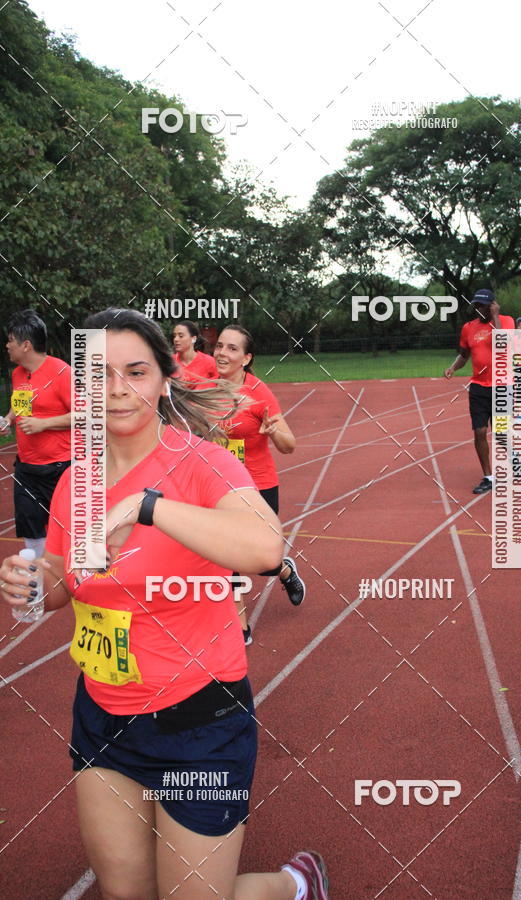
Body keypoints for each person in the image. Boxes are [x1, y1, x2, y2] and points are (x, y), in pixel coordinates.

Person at [0, 309, 328, 900]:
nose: (118, 389)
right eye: (99, 375)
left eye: (136, 372)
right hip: (103, 715)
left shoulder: (201, 462)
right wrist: (31, 583)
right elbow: (65, 583)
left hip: (199, 723)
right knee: (125, 894)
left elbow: (266, 547)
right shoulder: (77, 481)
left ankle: (295, 885)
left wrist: (146, 507)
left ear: (163, 379)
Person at [213, 325, 305, 645]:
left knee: (261, 559)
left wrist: (273, 431)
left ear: (246, 358)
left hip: (257, 486)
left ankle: (283, 570)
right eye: (219, 346)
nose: (222, 353)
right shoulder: (206, 390)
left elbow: (289, 445)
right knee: (226, 555)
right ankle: (239, 623)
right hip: (219, 486)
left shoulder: (259, 393)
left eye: (232, 348)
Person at [0, 309, 71, 557]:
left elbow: (87, 416)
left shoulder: (62, 372)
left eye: (10, 340)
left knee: (66, 530)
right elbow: (21, 407)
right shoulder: (18, 373)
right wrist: (8, 420)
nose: (7, 345)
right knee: (30, 526)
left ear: (26, 345)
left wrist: (44, 424)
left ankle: (69, 576)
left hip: (59, 469)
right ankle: (38, 578)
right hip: (26, 468)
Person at [444, 289, 515, 494]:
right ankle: (488, 477)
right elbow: (464, 355)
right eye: (476, 305)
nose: (478, 309)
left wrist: (495, 317)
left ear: (492, 306)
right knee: (480, 431)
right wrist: (453, 367)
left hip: (502, 386)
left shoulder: (507, 321)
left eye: (482, 306)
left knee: (500, 433)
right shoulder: (468, 328)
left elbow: (503, 344)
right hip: (478, 387)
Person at [172, 320, 218, 385]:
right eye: (174, 336)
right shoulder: (169, 362)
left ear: (193, 339)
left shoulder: (209, 362)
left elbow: (220, 384)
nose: (176, 339)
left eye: (181, 336)